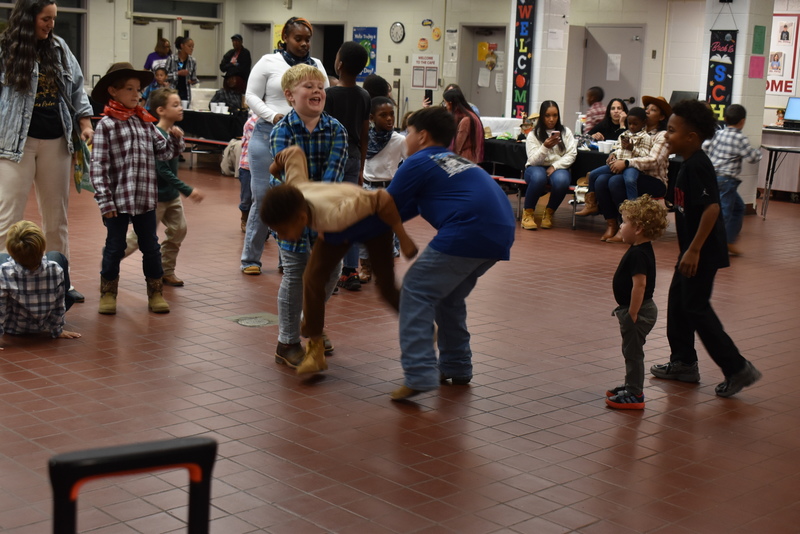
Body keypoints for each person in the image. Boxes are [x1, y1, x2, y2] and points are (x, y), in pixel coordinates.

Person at [386, 106, 516, 400]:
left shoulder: (418, 160)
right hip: (500, 232)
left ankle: (419, 373)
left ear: (422, 136)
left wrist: (340, 225)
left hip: (468, 230)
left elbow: (385, 206)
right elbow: (400, 211)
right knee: (448, 296)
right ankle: (456, 366)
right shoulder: (452, 161)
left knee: (415, 290)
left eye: (408, 132)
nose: (405, 138)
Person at [261, 145, 417, 374]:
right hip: (335, 226)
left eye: (283, 231)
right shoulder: (295, 192)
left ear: (302, 217)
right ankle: (315, 352)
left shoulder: (334, 216)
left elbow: (382, 198)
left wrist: (403, 238)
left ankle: (420, 325)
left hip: (373, 221)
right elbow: (293, 153)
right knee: (312, 279)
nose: (280, 237)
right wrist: (274, 168)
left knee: (385, 287)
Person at [650, 100, 762, 398]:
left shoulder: (697, 165)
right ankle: (683, 363)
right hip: (692, 249)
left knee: (697, 308)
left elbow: (712, 208)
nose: (666, 135)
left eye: (672, 130)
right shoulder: (687, 164)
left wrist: (694, 250)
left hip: (702, 251)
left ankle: (737, 368)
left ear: (692, 137)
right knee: (678, 301)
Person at [0, 0, 94, 304]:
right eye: (45, 18)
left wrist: (85, 123)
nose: (51, 24)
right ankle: (4, 283)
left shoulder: (59, 48)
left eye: (54, 19)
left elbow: (77, 88)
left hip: (57, 141)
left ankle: (60, 282)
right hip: (15, 143)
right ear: (28, 18)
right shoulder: (6, 49)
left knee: (56, 217)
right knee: (8, 215)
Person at [89, 62, 185, 315]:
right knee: (114, 246)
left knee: (151, 247)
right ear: (113, 91)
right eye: (129, 89)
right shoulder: (106, 125)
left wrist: (174, 139)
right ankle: (108, 292)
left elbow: (163, 152)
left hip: (144, 199)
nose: (137, 94)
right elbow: (97, 167)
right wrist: (105, 201)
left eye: (139, 89)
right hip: (117, 201)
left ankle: (155, 292)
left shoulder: (145, 123)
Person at [268, 64, 347, 368]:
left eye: (320, 86)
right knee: (295, 276)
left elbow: (334, 175)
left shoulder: (336, 129)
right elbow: (289, 179)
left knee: (331, 272)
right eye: (308, 86)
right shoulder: (282, 131)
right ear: (289, 96)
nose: (317, 91)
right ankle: (286, 342)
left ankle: (309, 320)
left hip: (327, 212)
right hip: (292, 216)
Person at [242, 16, 328, 276]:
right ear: (285, 39)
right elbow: (251, 96)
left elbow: (323, 96)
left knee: (295, 197)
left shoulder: (316, 66)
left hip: (302, 136)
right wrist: (273, 116)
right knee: (264, 196)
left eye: (307, 39)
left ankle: (288, 257)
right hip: (268, 133)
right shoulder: (269, 62)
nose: (303, 44)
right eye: (297, 39)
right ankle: (251, 259)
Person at [123, 87, 204, 287]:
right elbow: (163, 171)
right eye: (175, 105)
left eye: (180, 104)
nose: (180, 108)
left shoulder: (174, 133)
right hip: (156, 198)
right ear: (160, 110)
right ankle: (110, 263)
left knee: (179, 230)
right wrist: (188, 190)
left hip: (171, 196)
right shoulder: (156, 134)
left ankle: (166, 271)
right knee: (136, 239)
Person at [605, 195, 668, 410]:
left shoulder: (639, 254)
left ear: (638, 228)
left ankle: (635, 393)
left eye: (624, 222)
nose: (621, 226)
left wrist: (632, 312)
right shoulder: (639, 249)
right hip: (636, 310)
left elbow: (639, 285)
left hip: (638, 311)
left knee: (633, 353)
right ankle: (631, 385)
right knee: (631, 351)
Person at [324, 41, 372, 292]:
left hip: (333, 159)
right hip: (354, 158)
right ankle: (350, 271)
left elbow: (325, 132)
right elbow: (365, 134)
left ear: (339, 64)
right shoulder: (364, 95)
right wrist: (362, 167)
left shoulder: (329, 95)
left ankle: (330, 274)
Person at [594, 95, 671, 242]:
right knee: (601, 180)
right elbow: (621, 148)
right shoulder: (635, 131)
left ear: (661, 117)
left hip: (654, 180)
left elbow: (654, 160)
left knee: (616, 182)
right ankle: (611, 223)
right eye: (647, 109)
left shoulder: (663, 136)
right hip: (631, 174)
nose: (648, 112)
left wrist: (627, 162)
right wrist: (614, 155)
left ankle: (628, 225)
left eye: (653, 110)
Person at [0, 220, 81, 348]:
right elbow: (59, 303)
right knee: (56, 255)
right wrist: (57, 330)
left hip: (14, 327)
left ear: (12, 250)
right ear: (42, 247)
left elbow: (1, 306)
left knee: (1, 257)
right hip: (45, 324)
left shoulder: (4, 271)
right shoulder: (55, 269)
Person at [702, 104, 761, 257]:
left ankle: (728, 241)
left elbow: (705, 147)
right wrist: (758, 152)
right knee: (724, 213)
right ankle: (713, 244)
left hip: (713, 177)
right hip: (727, 181)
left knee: (738, 208)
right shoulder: (740, 138)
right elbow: (751, 158)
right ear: (742, 121)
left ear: (725, 119)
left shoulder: (718, 134)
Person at [359, 96, 407, 282]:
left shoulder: (399, 140)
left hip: (389, 190)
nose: (389, 119)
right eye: (383, 115)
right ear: (371, 117)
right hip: (367, 189)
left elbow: (411, 162)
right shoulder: (365, 137)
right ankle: (365, 265)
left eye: (392, 115)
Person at [577, 107, 652, 218]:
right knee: (593, 174)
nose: (631, 126)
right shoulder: (624, 134)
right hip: (617, 163)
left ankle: (633, 208)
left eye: (635, 124)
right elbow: (618, 148)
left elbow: (645, 154)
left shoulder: (646, 137)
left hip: (631, 166)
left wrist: (632, 148)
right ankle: (591, 204)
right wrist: (613, 154)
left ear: (643, 123)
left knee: (630, 180)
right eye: (629, 123)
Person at [520, 100, 577, 230]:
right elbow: (534, 160)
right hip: (535, 167)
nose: (551, 119)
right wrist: (545, 147)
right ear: (542, 116)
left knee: (562, 180)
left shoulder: (565, 132)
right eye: (547, 116)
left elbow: (572, 154)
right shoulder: (533, 134)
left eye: (555, 115)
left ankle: (549, 213)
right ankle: (528, 214)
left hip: (557, 167)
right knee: (539, 178)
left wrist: (555, 166)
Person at [443, 87, 484, 164]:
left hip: (465, 160)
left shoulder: (466, 120)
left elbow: (457, 147)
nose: (445, 106)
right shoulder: (470, 116)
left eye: (445, 103)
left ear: (451, 103)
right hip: (470, 159)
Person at [237, 113, 258, 233]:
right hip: (247, 166)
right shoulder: (252, 122)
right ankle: (244, 218)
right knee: (246, 197)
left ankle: (258, 222)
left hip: (263, 166)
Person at [165, 36, 197, 107]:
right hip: (173, 91)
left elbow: (194, 78)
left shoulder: (192, 61)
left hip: (186, 93)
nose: (191, 48)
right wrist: (178, 73)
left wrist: (192, 81)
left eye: (193, 46)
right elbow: (164, 76)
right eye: (189, 46)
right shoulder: (171, 59)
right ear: (182, 45)